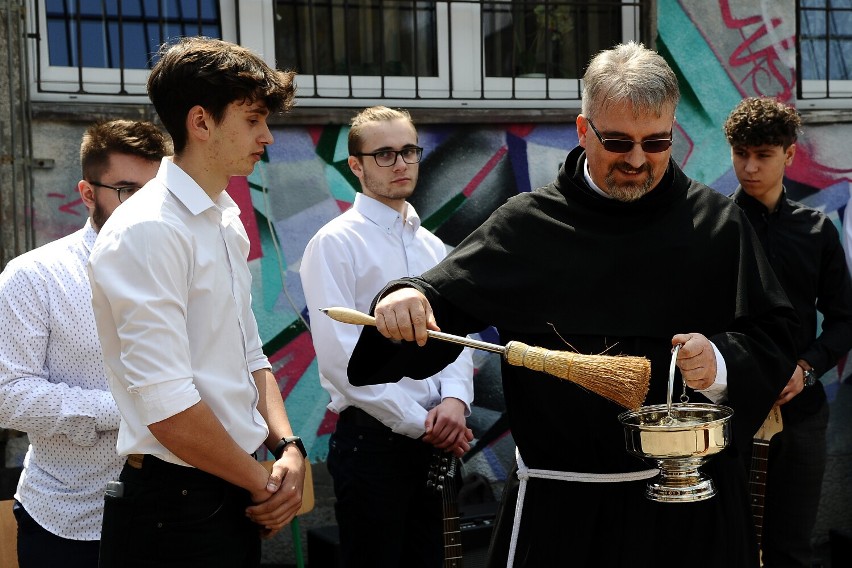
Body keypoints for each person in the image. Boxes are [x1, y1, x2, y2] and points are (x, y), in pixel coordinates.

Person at [346, 42, 799, 568]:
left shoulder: (716, 225)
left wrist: (719, 362)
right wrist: (406, 297)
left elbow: (775, 334)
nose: (636, 159)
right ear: (583, 131)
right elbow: (440, 299)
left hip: (689, 509)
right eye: (617, 141)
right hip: (563, 514)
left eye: (656, 142)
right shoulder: (527, 225)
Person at [87, 37, 305, 567]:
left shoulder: (222, 217)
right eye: (253, 120)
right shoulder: (148, 230)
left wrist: (289, 448)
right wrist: (264, 484)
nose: (267, 136)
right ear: (201, 122)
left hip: (227, 487)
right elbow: (167, 409)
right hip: (175, 507)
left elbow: (251, 356)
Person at [299, 106, 475, 568]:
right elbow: (341, 360)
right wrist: (426, 426)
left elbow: (454, 338)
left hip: (436, 442)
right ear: (356, 165)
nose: (400, 163)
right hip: (375, 446)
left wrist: (455, 403)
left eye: (408, 151)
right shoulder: (335, 243)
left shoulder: (432, 246)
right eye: (384, 154)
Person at [0, 119, 170, 567]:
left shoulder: (185, 270)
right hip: (71, 518)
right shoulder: (34, 276)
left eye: (159, 193)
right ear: (88, 193)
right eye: (128, 190)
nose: (148, 208)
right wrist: (129, 411)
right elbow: (8, 395)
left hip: (180, 513)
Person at [724, 96, 852, 567]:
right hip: (729, 413)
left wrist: (807, 369)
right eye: (741, 154)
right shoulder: (714, 227)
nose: (750, 167)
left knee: (792, 549)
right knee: (728, 544)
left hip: (801, 414)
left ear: (789, 155)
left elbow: (844, 319)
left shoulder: (817, 230)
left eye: (763, 155)